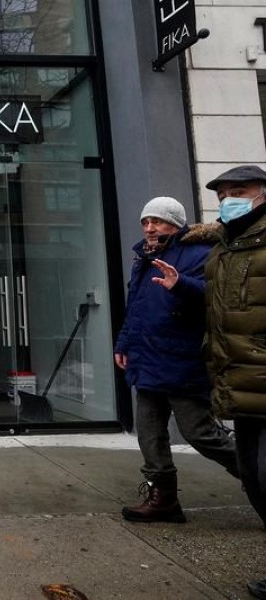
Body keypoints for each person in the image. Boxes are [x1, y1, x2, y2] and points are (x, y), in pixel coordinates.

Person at [114, 196, 238, 523]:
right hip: (148, 358)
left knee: (199, 433)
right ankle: (163, 499)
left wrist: (180, 283)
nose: (150, 227)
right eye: (145, 221)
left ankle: (253, 472)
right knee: (149, 433)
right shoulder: (144, 257)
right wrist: (124, 342)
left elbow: (216, 295)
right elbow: (137, 308)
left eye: (158, 220)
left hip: (181, 360)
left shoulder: (200, 253)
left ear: (177, 224)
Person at [200, 165, 266, 599]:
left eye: (238, 192)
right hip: (239, 385)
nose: (228, 200)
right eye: (223, 194)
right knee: (255, 482)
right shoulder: (222, 249)